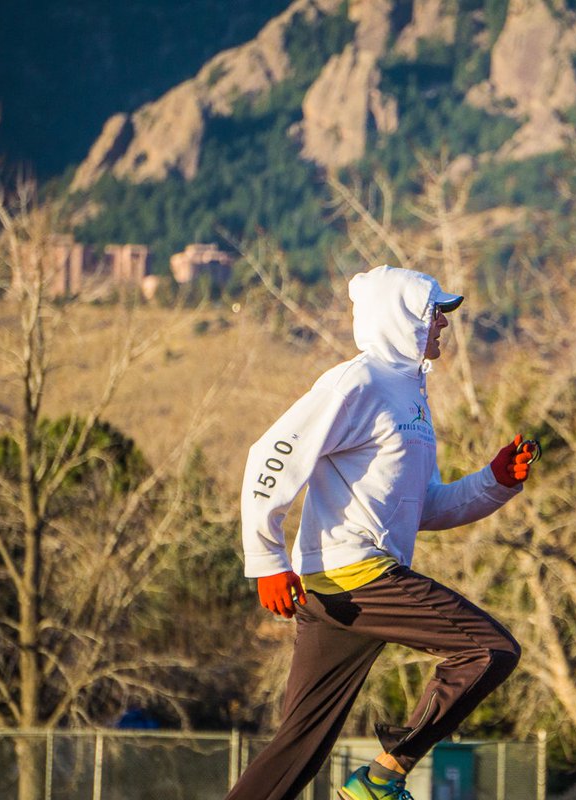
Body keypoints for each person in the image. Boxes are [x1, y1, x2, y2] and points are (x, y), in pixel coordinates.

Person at [226, 264, 536, 800]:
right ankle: (381, 778)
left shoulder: (411, 398)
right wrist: (267, 561)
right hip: (358, 576)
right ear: (404, 318)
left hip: (341, 591)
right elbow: (268, 459)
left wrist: (494, 482)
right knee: (489, 650)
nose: (443, 325)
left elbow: (425, 507)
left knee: (296, 748)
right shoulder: (359, 380)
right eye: (435, 313)